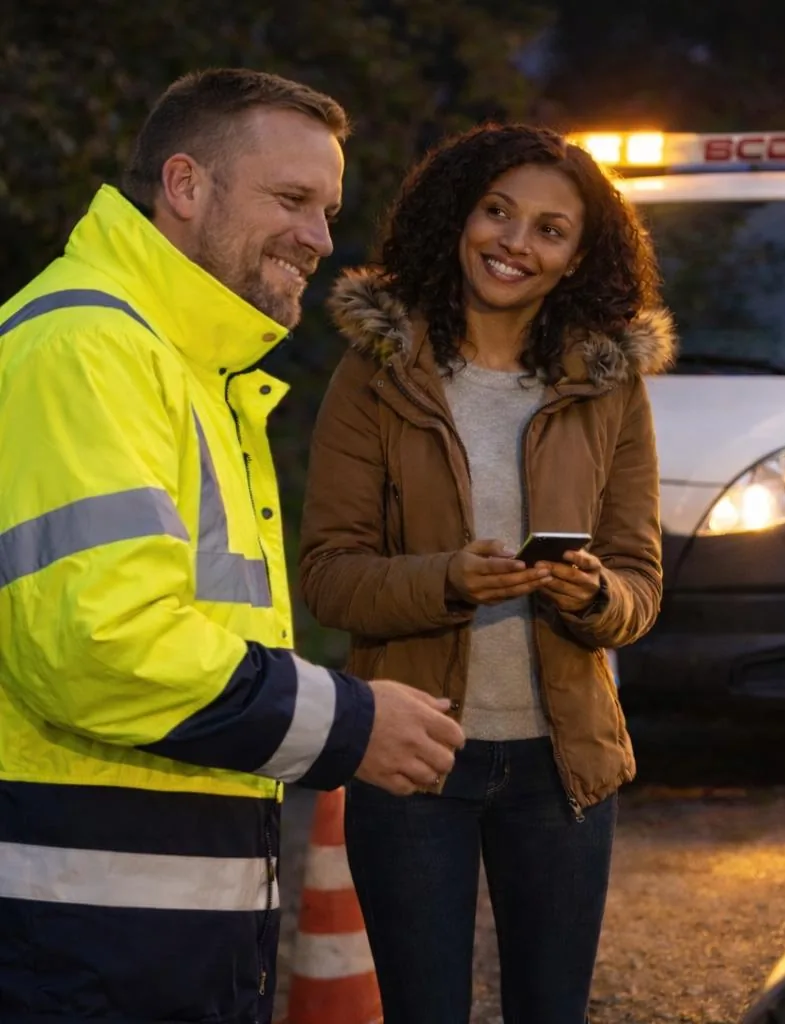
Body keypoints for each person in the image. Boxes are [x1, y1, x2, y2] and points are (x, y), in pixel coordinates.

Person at [0, 68, 464, 1024]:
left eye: (328, 209)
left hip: (134, 925)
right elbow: (103, 644)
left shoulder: (186, 365)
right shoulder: (87, 348)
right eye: (291, 199)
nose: (321, 239)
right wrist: (350, 721)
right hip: (75, 933)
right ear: (185, 186)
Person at [299, 123, 676, 1023]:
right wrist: (448, 581)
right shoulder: (378, 372)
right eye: (498, 212)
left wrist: (595, 597)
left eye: (550, 229)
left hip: (565, 763)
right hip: (413, 754)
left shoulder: (606, 380)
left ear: (580, 256)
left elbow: (640, 583)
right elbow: (328, 576)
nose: (515, 242)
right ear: (457, 214)